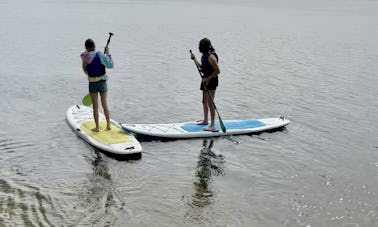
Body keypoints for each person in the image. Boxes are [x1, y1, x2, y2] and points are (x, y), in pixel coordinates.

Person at [81, 39, 114, 132]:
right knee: (104, 104)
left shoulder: (85, 57)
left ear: (86, 47)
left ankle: (97, 127)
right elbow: (111, 65)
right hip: (102, 83)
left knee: (95, 106)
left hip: (92, 84)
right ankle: (108, 126)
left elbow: (85, 70)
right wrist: (107, 54)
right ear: (94, 46)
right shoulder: (101, 55)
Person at [190, 38, 220, 131]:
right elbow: (203, 67)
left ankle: (213, 125)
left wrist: (207, 79)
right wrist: (195, 60)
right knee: (204, 101)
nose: (199, 48)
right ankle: (206, 121)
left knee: (211, 103)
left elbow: (218, 71)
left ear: (204, 47)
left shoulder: (211, 57)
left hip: (212, 80)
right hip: (205, 79)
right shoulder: (204, 55)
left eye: (200, 46)